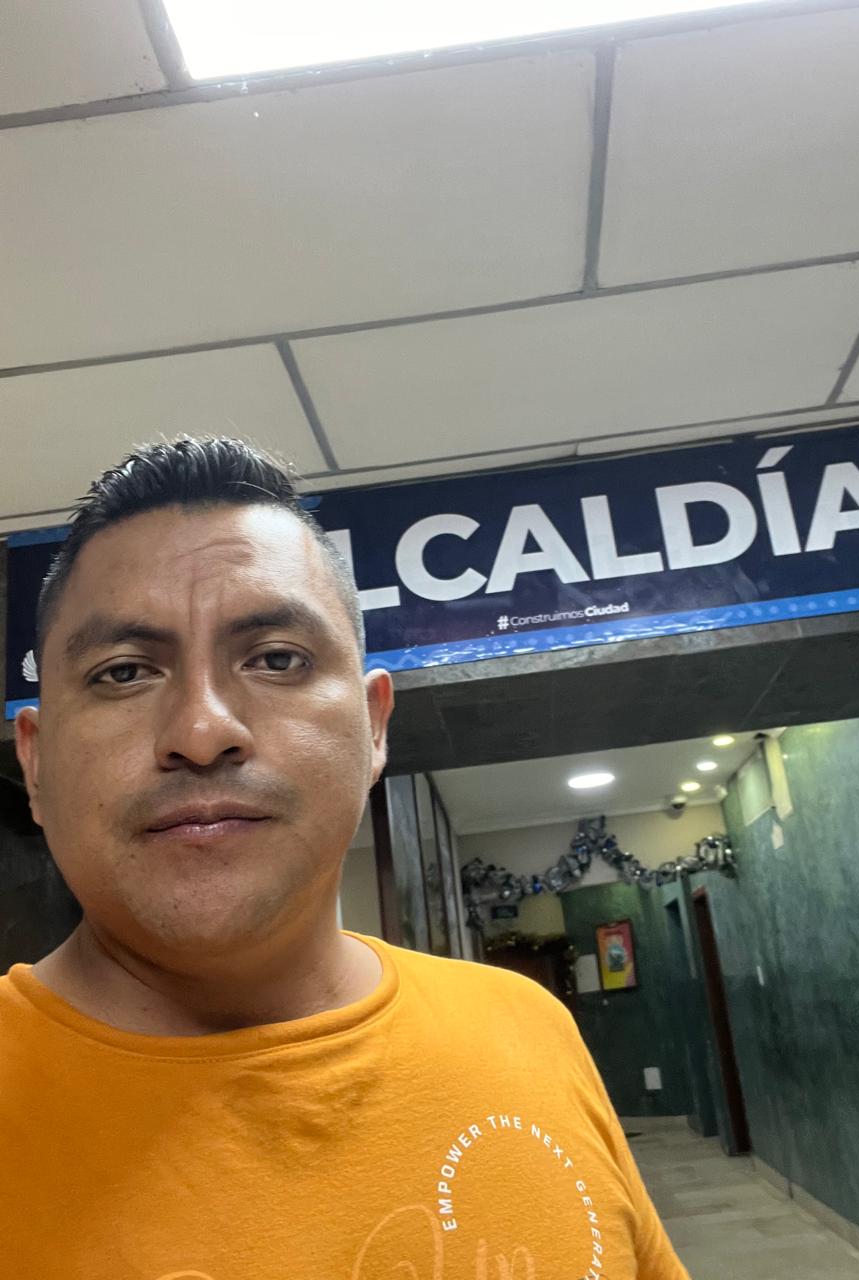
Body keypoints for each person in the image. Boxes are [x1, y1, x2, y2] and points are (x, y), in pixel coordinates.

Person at [3, 436, 689, 1280]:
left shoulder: (528, 1027)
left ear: (374, 728)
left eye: (276, 659)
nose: (202, 731)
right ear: (36, 762)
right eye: (123, 672)